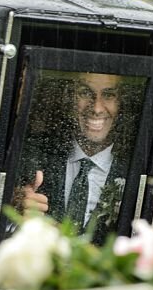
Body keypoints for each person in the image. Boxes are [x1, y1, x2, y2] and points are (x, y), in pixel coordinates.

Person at [15, 72, 131, 242]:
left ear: (121, 103)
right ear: (69, 97)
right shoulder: (34, 153)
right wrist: (16, 208)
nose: (97, 108)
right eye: (85, 93)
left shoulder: (137, 168)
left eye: (108, 95)